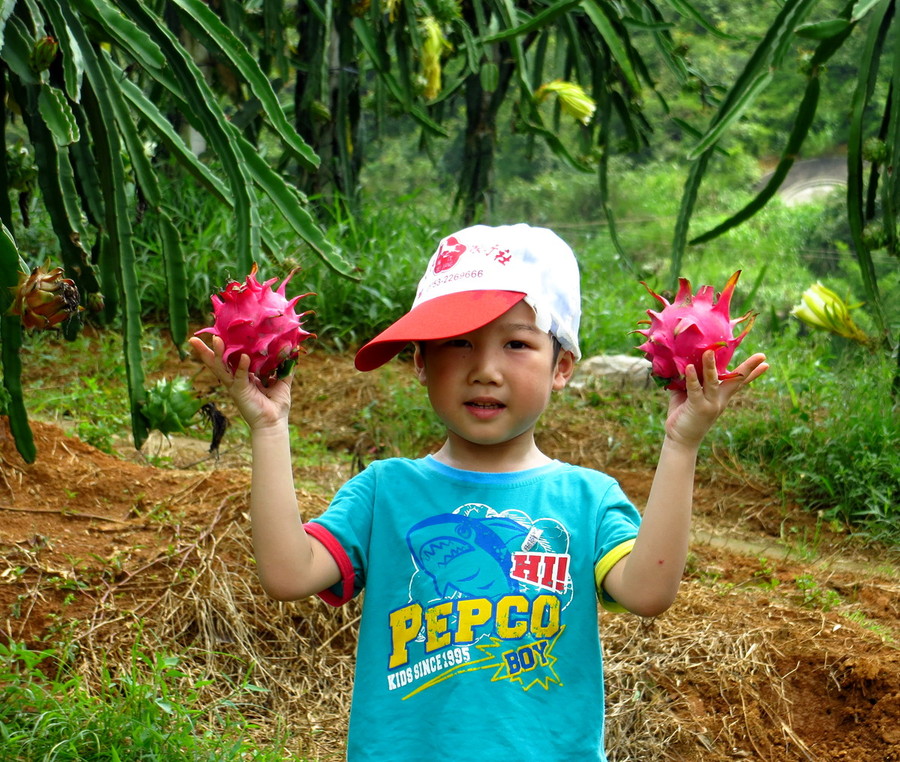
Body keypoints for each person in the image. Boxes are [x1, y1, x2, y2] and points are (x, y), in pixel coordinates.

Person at [189, 223, 768, 761]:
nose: (484, 369)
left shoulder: (587, 500)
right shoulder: (384, 491)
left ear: (562, 366)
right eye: (458, 343)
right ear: (419, 362)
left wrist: (682, 444)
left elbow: (648, 593)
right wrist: (268, 428)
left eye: (516, 344)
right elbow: (288, 576)